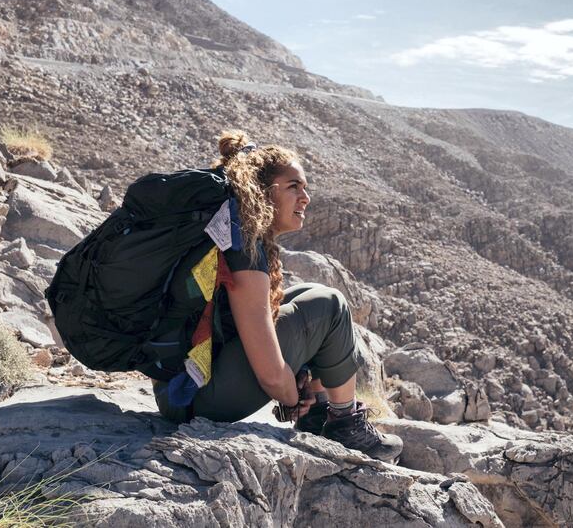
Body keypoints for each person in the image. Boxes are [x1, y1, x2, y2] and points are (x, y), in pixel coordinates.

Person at [151, 130, 402, 462]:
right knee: (328, 306)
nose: (305, 198)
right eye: (294, 187)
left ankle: (319, 416)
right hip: (195, 399)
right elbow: (270, 374)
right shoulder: (242, 243)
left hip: (183, 388)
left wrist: (292, 380)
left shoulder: (230, 229)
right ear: (263, 192)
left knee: (304, 297)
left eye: (305, 188)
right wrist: (290, 394)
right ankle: (345, 426)